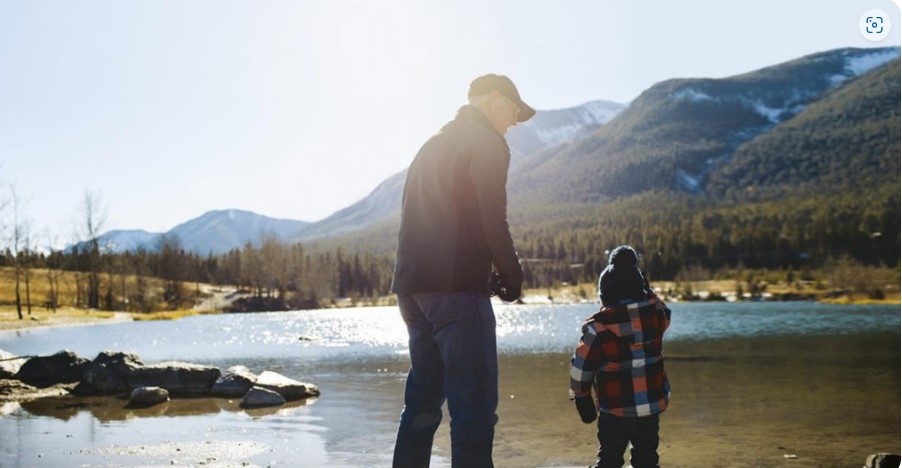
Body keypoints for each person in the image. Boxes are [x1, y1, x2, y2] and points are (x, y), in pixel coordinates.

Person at [390, 74, 535, 468]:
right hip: (456, 290)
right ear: (493, 101)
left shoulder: (431, 144)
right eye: (513, 112)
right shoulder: (487, 141)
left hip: (412, 288)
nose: (513, 123)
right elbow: (492, 215)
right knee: (474, 409)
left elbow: (416, 214)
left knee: (422, 404)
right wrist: (512, 273)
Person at [569, 245, 672, 468]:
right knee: (647, 459)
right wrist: (647, 291)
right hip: (650, 408)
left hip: (614, 411)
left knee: (609, 459)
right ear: (640, 289)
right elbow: (663, 309)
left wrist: (581, 397)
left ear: (604, 294)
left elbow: (580, 368)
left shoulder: (598, 328)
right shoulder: (656, 317)